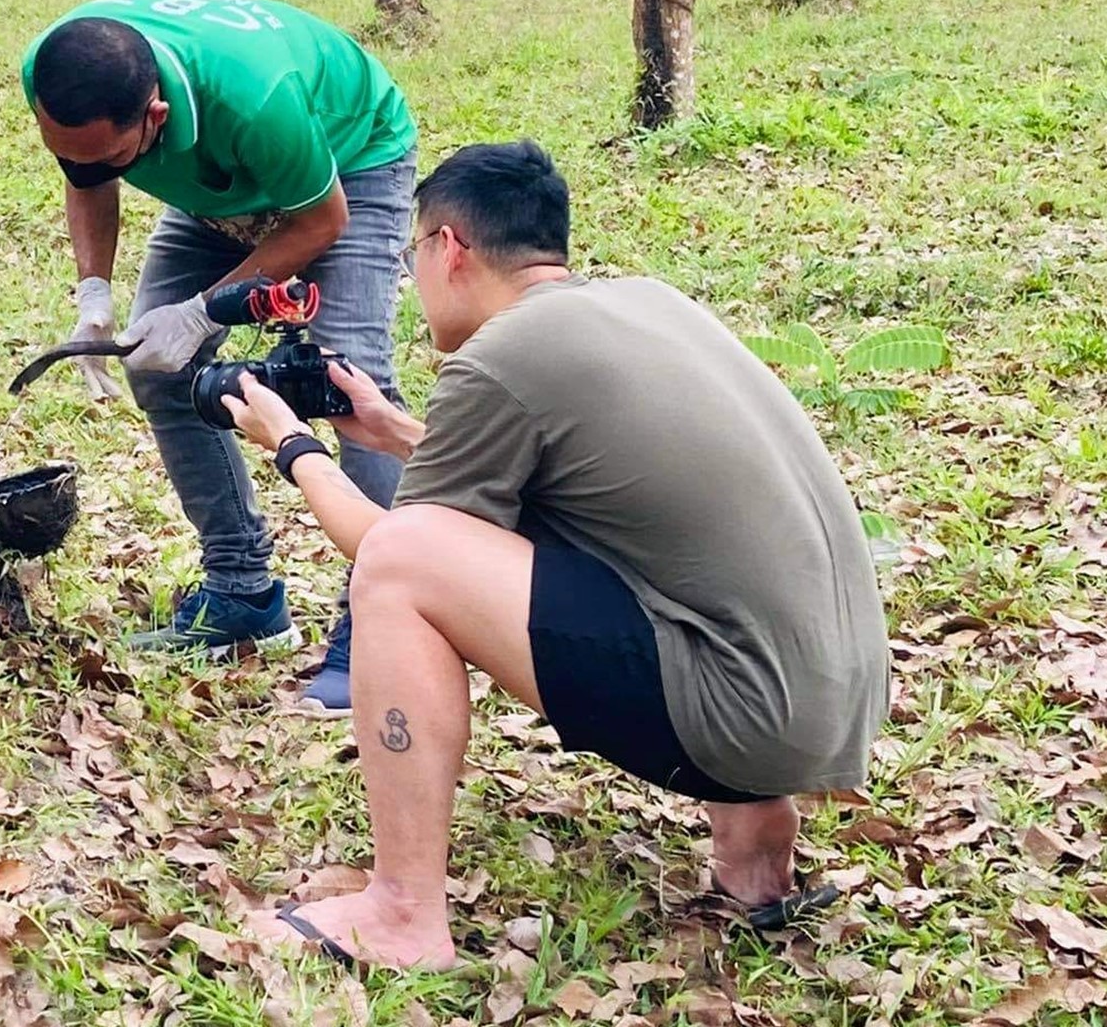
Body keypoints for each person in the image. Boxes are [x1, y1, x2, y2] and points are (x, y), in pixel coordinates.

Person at [221, 140, 891, 970]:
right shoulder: (651, 304)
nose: (410, 278)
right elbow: (603, 497)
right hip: (833, 703)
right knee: (645, 547)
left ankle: (400, 913)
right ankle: (755, 854)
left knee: (399, 568)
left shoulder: (499, 359)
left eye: (411, 253)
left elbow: (396, 553)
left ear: (449, 247)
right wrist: (393, 431)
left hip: (741, 718)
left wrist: (289, 443)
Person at [22, 0, 417, 711]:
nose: (88, 168)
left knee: (346, 379)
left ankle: (389, 621)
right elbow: (86, 172)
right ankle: (242, 593)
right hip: (219, 185)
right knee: (159, 366)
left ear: (156, 116)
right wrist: (92, 295)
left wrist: (205, 310)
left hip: (346, 165)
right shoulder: (59, 66)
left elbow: (319, 219)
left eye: (111, 154)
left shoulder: (255, 94)